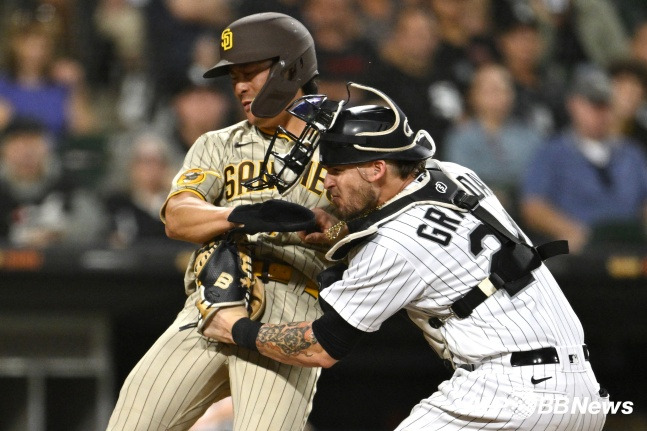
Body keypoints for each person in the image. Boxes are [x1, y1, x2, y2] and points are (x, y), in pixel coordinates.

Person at [203, 83, 609, 430]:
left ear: (377, 168)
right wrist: (342, 232)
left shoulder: (391, 247)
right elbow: (425, 230)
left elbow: (320, 348)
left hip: (509, 391)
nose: (325, 182)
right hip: (582, 393)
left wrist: (235, 328)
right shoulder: (456, 174)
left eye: (335, 170)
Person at [107, 12, 333, 431]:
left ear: (291, 67)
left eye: (250, 73)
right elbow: (177, 217)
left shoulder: (340, 145)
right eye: (234, 78)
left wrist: (330, 230)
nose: (241, 86)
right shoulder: (218, 143)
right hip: (210, 303)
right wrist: (240, 215)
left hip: (290, 309)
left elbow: (377, 231)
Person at [520, 66, 647, 253]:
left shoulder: (631, 154)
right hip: (582, 250)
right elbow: (533, 207)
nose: (601, 112)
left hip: (630, 246)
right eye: (594, 104)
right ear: (574, 104)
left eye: (606, 105)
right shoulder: (551, 152)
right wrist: (569, 230)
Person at [445, 63, 543, 214]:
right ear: (473, 95)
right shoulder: (461, 138)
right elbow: (460, 181)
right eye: (492, 90)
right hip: (480, 211)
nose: (500, 96)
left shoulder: (529, 134)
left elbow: (539, 176)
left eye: (505, 89)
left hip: (529, 207)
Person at [0, 116, 105, 247]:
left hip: (61, 264)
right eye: (19, 144)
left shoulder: (68, 184)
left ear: (48, 148)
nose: (27, 153)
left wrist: (60, 234)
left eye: (33, 143)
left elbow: (94, 224)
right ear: (4, 150)